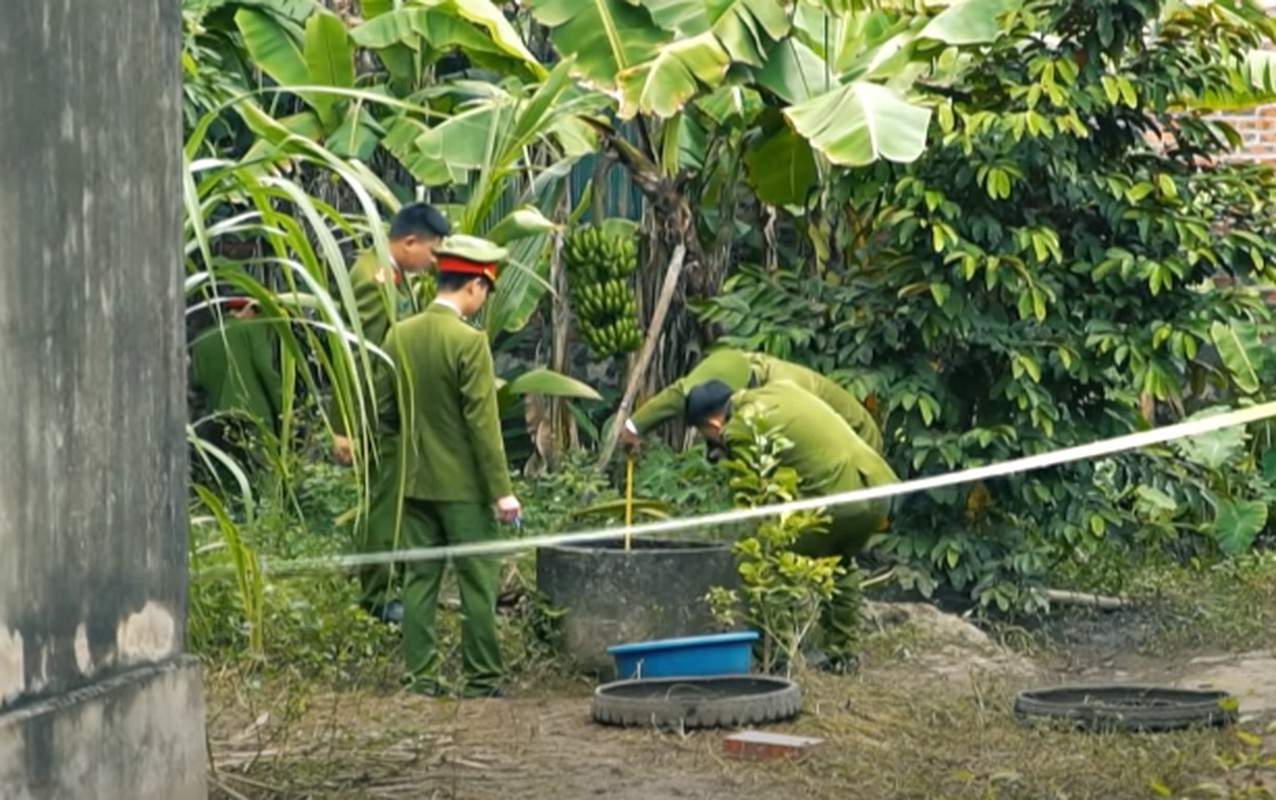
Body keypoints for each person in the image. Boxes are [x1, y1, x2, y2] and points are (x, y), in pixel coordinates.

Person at [373, 234, 521, 699]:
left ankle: (421, 678)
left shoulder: (399, 335)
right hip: (465, 490)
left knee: (420, 582)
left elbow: (385, 413)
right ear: (475, 286)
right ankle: (481, 679)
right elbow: (483, 425)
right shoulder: (469, 342)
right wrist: (502, 491)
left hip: (415, 486)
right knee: (479, 582)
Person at [684, 378, 899, 673]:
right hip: (876, 491)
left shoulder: (741, 427)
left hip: (841, 502)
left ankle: (775, 657)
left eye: (704, 433)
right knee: (838, 557)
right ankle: (843, 654)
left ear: (712, 422)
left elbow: (754, 502)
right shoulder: (780, 389)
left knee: (757, 552)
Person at [332, 203, 449, 626]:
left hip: (393, 414)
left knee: (396, 506)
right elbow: (353, 355)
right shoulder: (373, 278)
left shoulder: (393, 277)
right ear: (410, 242)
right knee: (383, 507)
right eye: (432, 253)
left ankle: (389, 586)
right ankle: (375, 596)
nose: (433, 263)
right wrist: (345, 427)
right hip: (376, 417)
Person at [619, 348, 882, 456]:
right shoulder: (734, 369)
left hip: (856, 441)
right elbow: (679, 393)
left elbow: (808, 443)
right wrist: (633, 427)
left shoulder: (786, 392)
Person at [190, 296, 283, 473]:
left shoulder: (203, 338)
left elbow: (198, 380)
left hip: (218, 417)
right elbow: (265, 368)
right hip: (253, 413)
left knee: (230, 475)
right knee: (266, 473)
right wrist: (283, 408)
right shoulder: (251, 328)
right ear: (248, 310)